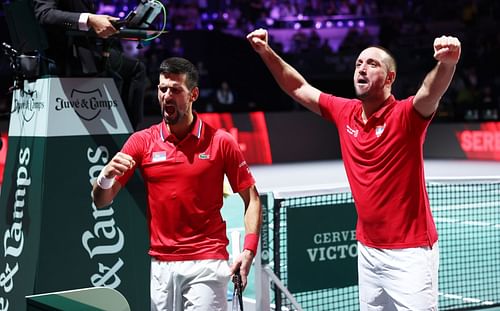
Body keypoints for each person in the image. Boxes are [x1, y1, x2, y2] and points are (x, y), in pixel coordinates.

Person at [247, 28, 461, 310]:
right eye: (358, 63)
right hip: (368, 251)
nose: (362, 68)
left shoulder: (407, 116)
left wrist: (447, 63)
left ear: (389, 78)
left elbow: (430, 91)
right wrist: (266, 52)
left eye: (372, 64)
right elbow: (298, 87)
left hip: (410, 253)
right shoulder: (344, 111)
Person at [91, 57, 262, 310]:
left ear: (193, 94)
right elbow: (101, 200)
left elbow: (252, 200)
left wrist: (248, 251)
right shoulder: (141, 142)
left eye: (175, 90)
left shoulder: (221, 142)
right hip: (161, 267)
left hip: (207, 262)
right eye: (162, 89)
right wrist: (104, 177)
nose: (166, 96)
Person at [33, 0, 147, 130]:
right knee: (136, 69)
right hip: (70, 53)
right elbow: (45, 15)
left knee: (127, 64)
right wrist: (89, 19)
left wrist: (100, 21)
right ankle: (131, 136)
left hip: (86, 47)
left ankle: (129, 134)